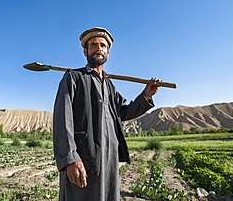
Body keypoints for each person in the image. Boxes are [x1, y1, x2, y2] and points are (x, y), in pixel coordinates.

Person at [53, 27, 161, 201]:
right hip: (84, 156)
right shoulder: (73, 77)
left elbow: (123, 112)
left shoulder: (109, 86)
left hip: (109, 158)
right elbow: (62, 120)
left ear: (108, 53)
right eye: (93, 45)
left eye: (102, 45)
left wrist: (146, 95)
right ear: (85, 51)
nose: (98, 48)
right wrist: (70, 158)